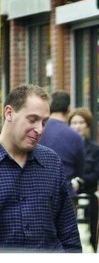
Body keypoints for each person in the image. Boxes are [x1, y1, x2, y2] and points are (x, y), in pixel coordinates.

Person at [0, 84, 82, 252]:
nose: (39, 129)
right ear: (9, 113)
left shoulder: (51, 162)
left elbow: (68, 232)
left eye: (44, 122)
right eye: (32, 120)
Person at [39, 90, 85, 200]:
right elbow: (80, 169)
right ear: (69, 108)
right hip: (65, 194)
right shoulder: (75, 136)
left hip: (38, 192)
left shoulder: (37, 131)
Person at [68, 107, 99, 253]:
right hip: (69, 200)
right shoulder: (66, 147)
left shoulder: (95, 149)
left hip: (88, 199)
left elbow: (95, 174)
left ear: (87, 125)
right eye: (74, 122)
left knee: (90, 238)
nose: (77, 126)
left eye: (81, 122)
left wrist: (79, 182)